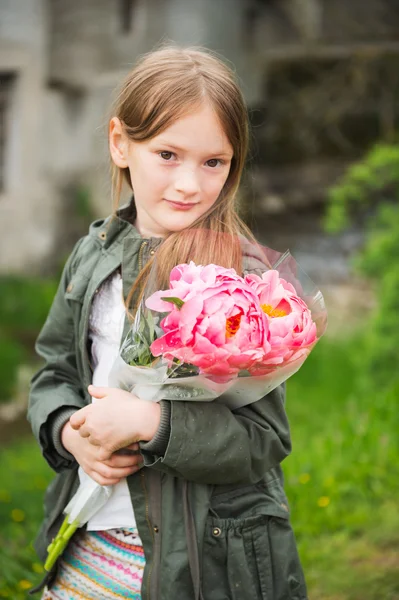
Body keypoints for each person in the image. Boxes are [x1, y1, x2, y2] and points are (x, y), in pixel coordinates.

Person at [28, 45, 308, 600]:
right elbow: (54, 373)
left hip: (207, 557)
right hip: (93, 528)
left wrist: (153, 423)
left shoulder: (248, 281)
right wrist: (66, 431)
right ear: (120, 144)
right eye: (168, 154)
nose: (189, 184)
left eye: (213, 162)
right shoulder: (93, 255)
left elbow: (262, 440)